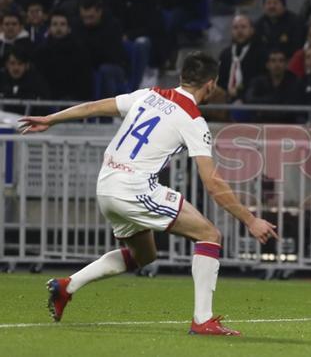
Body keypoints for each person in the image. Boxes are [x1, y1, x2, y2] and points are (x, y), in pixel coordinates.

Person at [18, 52, 278, 336]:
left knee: (144, 255)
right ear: (211, 85)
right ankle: (203, 320)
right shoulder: (192, 119)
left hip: (106, 185)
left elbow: (95, 107)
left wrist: (51, 119)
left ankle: (67, 286)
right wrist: (250, 220)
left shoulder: (149, 95)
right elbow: (213, 184)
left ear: (182, 77)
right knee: (210, 235)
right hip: (134, 187)